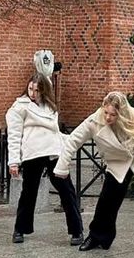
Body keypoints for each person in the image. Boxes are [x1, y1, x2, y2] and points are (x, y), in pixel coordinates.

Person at [54, 91, 134, 256]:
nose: (108, 117)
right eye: (106, 113)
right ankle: (97, 237)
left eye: (113, 114)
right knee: (107, 201)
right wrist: (62, 167)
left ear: (121, 113)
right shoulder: (93, 122)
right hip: (118, 162)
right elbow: (73, 140)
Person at [6, 74, 84, 245]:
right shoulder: (19, 106)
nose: (33, 93)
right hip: (33, 152)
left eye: (37, 90)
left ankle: (77, 230)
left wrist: (67, 148)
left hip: (54, 151)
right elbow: (14, 135)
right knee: (29, 192)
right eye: (30, 89)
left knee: (66, 190)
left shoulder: (50, 106)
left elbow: (55, 132)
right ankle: (20, 229)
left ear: (44, 90)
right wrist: (14, 161)